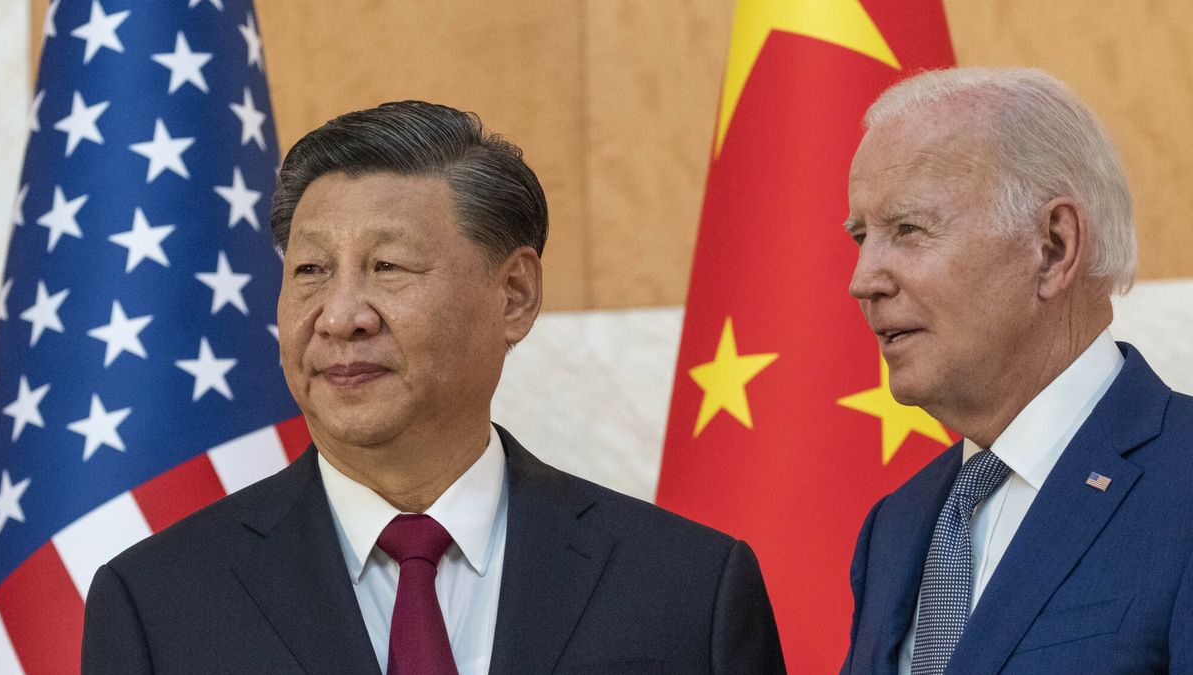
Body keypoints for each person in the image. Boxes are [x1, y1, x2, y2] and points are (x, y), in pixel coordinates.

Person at [81, 101, 785, 674]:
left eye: (387, 265)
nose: (340, 316)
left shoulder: (688, 585)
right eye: (310, 271)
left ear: (513, 295)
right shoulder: (157, 603)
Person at [840, 68, 1193, 673]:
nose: (863, 281)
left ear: (1053, 247)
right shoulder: (894, 527)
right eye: (861, 236)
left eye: (908, 230)